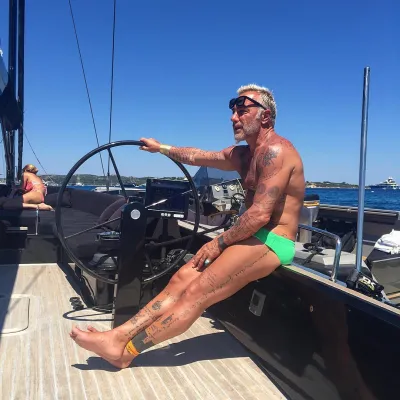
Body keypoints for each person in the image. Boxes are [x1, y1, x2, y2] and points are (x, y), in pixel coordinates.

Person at [69, 83, 306, 368]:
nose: (234, 117)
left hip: (274, 241)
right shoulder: (244, 155)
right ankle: (117, 336)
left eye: (242, 110)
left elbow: (259, 215)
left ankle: (126, 352)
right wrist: (161, 148)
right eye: (233, 110)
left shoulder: (276, 151)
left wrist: (218, 242)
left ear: (265, 116)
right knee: (182, 279)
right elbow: (197, 156)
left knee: (196, 293)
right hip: (251, 236)